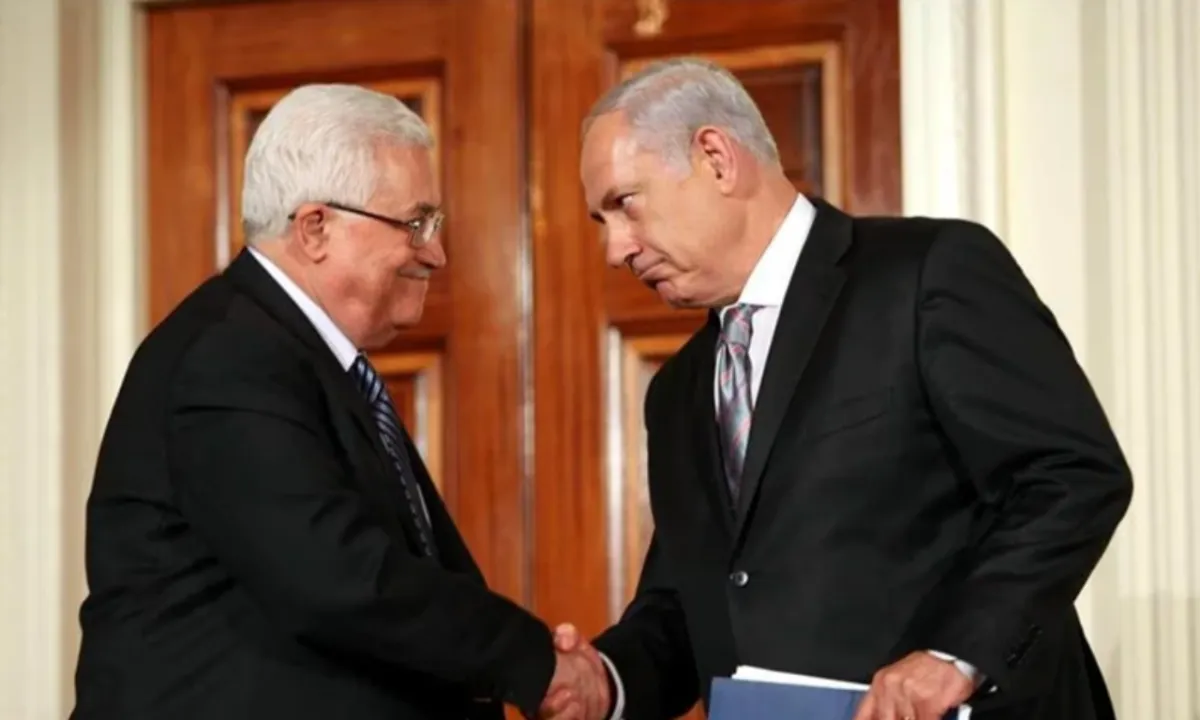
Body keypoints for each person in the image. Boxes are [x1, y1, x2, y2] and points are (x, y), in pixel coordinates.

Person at [553, 57, 1132, 720]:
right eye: (603, 223)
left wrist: (953, 657)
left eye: (625, 204)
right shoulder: (677, 390)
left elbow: (1070, 475)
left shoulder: (926, 274)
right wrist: (606, 679)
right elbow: (693, 605)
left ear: (716, 158)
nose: (616, 250)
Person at [70, 84, 607, 720]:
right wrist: (531, 661)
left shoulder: (294, 355)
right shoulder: (229, 356)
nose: (435, 252)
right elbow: (336, 574)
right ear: (316, 228)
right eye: (415, 223)